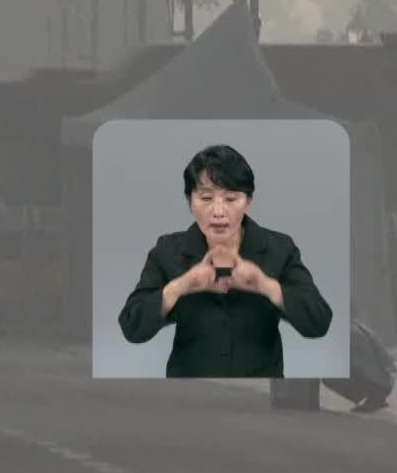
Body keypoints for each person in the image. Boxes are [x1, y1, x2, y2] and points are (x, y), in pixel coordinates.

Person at [118, 144, 333, 378]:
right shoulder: (168, 250)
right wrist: (181, 286)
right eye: (206, 198)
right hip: (188, 393)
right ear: (190, 201)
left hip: (259, 394)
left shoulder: (279, 249)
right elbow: (131, 326)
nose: (218, 211)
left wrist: (266, 286)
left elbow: (319, 322)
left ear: (248, 201)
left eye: (231, 198)